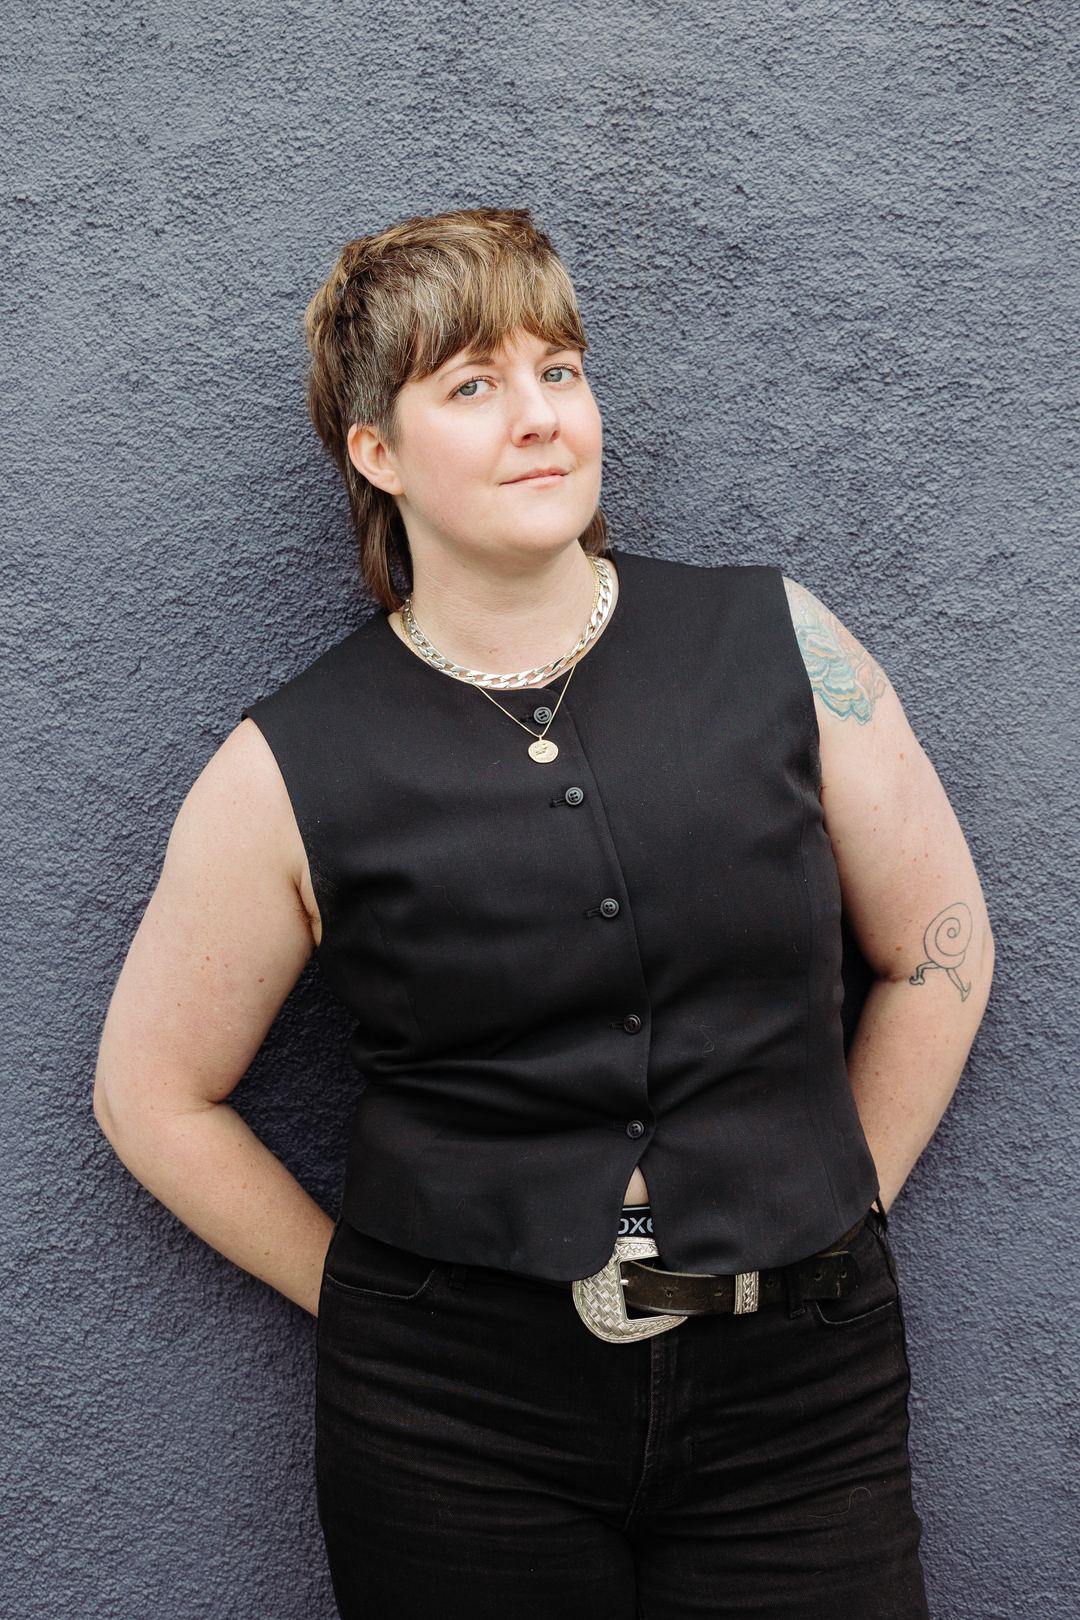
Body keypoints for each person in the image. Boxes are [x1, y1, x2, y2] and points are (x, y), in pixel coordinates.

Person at [94, 208, 993, 1620]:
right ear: (373, 452)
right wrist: (385, 1316)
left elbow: (941, 942)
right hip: (457, 1435)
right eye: (473, 385)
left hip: (798, 1403)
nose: (540, 417)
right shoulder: (287, 764)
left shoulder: (780, 642)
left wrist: (845, 1199)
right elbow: (153, 1094)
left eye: (560, 370)